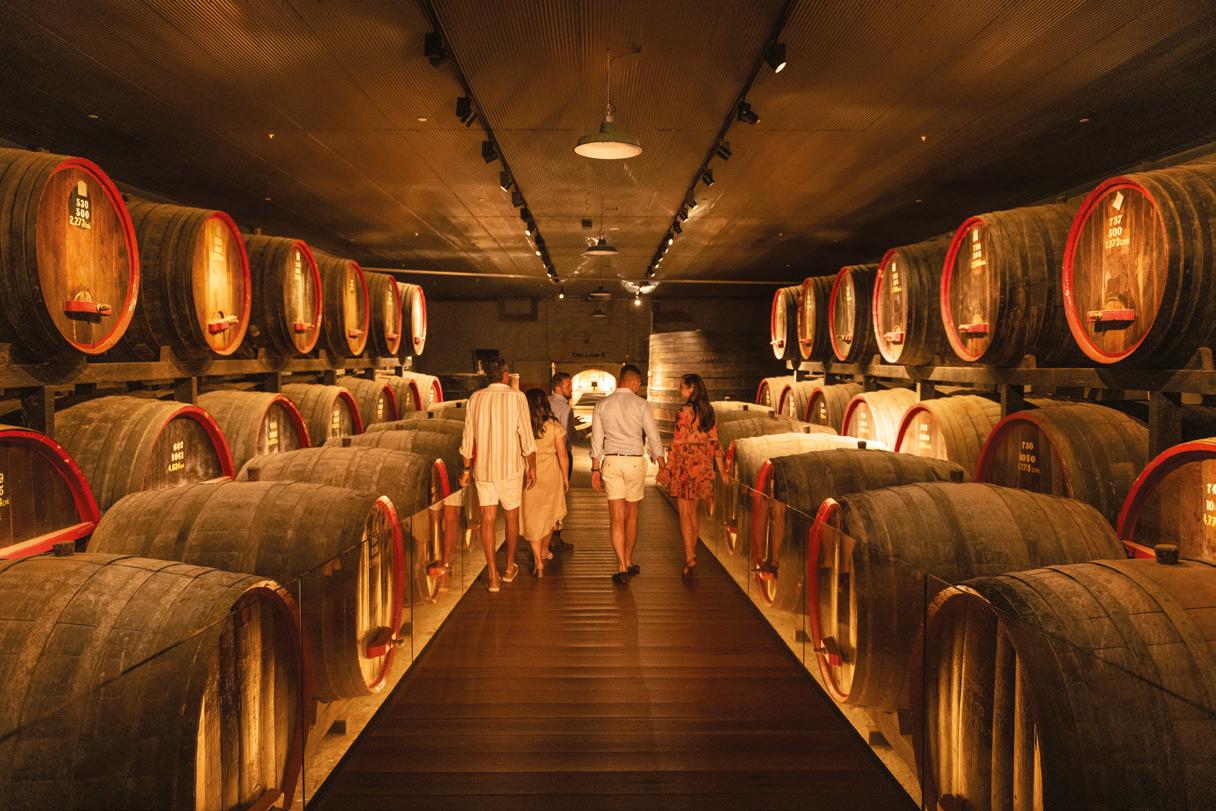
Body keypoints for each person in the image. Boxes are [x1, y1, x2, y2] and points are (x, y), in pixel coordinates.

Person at [459, 359, 537, 592]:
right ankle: (509, 567)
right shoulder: (517, 397)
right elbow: (526, 435)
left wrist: (466, 469)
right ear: (505, 375)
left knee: (487, 518)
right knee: (512, 517)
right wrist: (532, 467)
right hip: (510, 467)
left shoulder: (475, 398)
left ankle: (493, 576)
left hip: (483, 468)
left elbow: (468, 437)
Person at [590, 363, 665, 584]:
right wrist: (662, 463)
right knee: (632, 516)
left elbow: (597, 440)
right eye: (638, 383)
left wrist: (595, 468)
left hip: (612, 462)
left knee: (616, 517)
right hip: (634, 462)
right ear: (632, 381)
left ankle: (621, 566)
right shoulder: (641, 404)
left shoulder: (602, 405)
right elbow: (653, 436)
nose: (639, 387)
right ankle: (630, 560)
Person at [659, 374, 725, 576]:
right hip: (702, 467)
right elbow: (714, 442)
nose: (680, 390)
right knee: (694, 513)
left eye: (682, 387)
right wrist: (722, 471)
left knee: (685, 514)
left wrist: (667, 468)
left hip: (684, 466)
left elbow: (677, 443)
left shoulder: (684, 412)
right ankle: (692, 552)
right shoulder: (708, 411)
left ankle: (689, 556)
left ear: (691, 389)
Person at [521, 388, 570, 577]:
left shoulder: (523, 426)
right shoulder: (554, 426)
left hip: (529, 474)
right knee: (550, 513)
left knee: (532, 516)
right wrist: (565, 477)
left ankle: (538, 561)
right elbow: (563, 455)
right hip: (551, 474)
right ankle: (544, 550)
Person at [548, 372, 576, 552]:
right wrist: (586, 430)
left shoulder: (545, 402)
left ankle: (545, 535)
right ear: (558, 388)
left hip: (545, 456)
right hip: (561, 455)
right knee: (559, 496)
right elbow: (568, 436)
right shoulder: (565, 409)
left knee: (547, 497)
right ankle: (555, 538)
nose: (571, 389)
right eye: (568, 386)